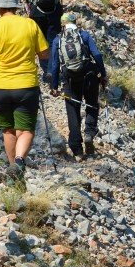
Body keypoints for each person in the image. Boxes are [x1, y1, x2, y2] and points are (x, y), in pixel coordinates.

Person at [0, 0, 49, 183]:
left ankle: (14, 175)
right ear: (16, 7)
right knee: (26, 130)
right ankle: (19, 162)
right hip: (26, 84)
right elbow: (44, 53)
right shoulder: (30, 25)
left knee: (8, 130)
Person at [49, 13, 107, 159]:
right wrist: (102, 73)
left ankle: (77, 149)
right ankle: (89, 132)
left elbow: (55, 64)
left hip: (69, 80)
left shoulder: (58, 40)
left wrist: (54, 86)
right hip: (89, 76)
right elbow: (97, 55)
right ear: (75, 22)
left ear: (63, 25)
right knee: (92, 105)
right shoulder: (84, 35)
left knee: (72, 111)